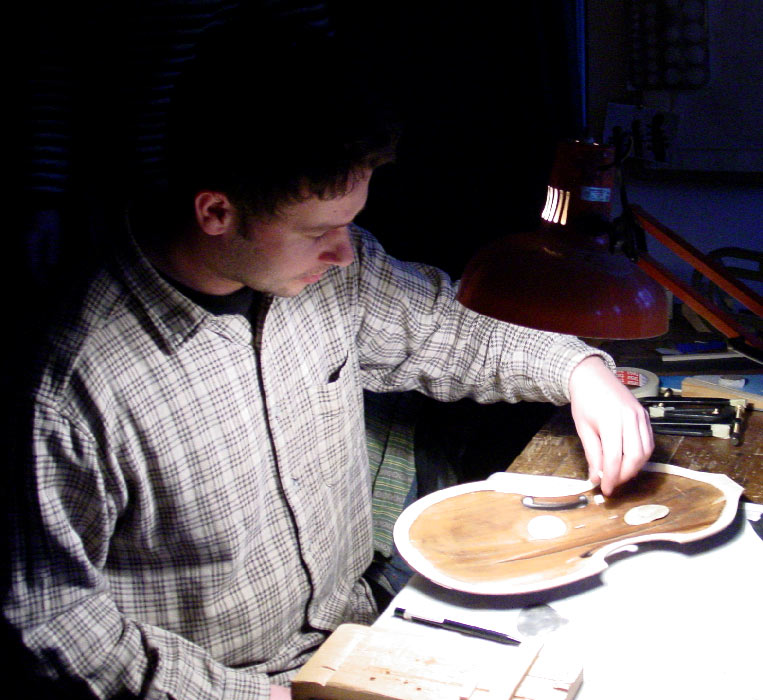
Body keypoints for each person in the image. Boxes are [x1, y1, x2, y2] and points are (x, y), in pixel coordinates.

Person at [4, 11, 653, 700]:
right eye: (319, 231)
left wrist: (579, 371)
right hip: (231, 686)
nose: (345, 251)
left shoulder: (330, 274)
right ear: (216, 212)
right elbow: (55, 621)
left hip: (360, 635)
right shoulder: (74, 385)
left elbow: (450, 327)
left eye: (351, 222)